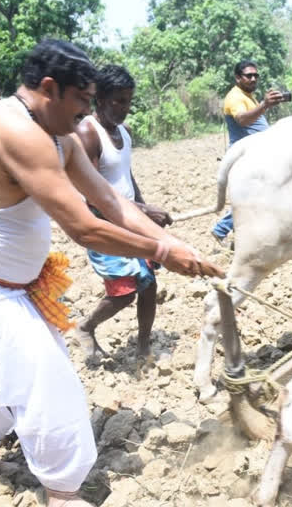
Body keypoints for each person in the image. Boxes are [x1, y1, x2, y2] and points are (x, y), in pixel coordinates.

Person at [0, 39, 222, 507]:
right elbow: (84, 227)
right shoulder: (14, 130)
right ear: (49, 89)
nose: (88, 112)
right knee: (43, 375)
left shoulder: (62, 135)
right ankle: (62, 494)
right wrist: (160, 250)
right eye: (83, 101)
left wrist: (171, 243)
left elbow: (112, 203)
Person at [73, 64, 172, 361]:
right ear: (100, 99)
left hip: (130, 217)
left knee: (149, 285)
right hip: (103, 221)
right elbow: (94, 190)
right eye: (118, 100)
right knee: (124, 292)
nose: (124, 108)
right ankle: (86, 327)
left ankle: (144, 347)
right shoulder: (88, 133)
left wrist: (144, 215)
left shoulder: (124, 133)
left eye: (128, 101)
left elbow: (127, 178)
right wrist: (142, 210)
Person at [211, 60, 284, 245]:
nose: (253, 78)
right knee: (253, 197)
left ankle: (236, 234)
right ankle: (222, 230)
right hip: (245, 157)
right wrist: (264, 105)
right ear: (238, 78)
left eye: (255, 75)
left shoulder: (247, 96)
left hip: (256, 154)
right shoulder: (235, 97)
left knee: (256, 196)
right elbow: (242, 120)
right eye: (248, 75)